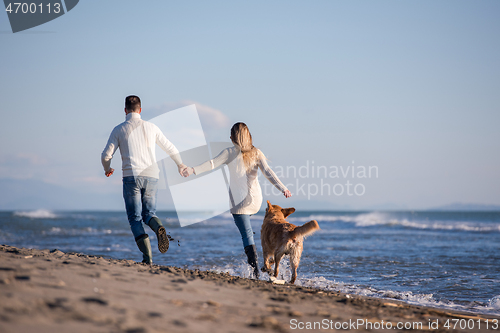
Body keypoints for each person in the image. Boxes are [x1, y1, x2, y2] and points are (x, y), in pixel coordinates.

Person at [182, 122, 291, 278]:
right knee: (254, 231)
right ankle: (272, 259)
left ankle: (255, 273)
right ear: (249, 136)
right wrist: (283, 189)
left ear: (232, 138)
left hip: (239, 203)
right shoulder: (257, 153)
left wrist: (193, 170)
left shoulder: (229, 152)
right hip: (255, 202)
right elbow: (268, 172)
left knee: (247, 235)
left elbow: (211, 164)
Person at [101, 95, 186, 264]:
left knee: (135, 218)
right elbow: (170, 147)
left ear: (125, 110)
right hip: (152, 176)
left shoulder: (119, 129)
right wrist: (180, 164)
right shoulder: (152, 127)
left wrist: (107, 168)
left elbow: (105, 155)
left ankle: (148, 258)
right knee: (149, 214)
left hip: (131, 176)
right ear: (140, 110)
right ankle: (158, 228)